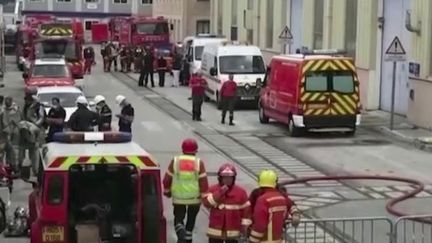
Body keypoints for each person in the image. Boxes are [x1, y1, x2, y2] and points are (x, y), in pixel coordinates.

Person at [163, 138, 209, 243]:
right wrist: (204, 196)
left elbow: (168, 178)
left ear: (183, 149)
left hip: (179, 197)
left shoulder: (176, 161)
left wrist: (167, 191)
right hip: (194, 198)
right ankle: (187, 239)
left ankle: (181, 234)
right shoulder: (198, 162)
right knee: (191, 219)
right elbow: (203, 181)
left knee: (178, 218)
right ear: (195, 151)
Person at [248, 170, 301, 243]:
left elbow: (260, 225)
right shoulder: (280, 196)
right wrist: (295, 213)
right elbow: (289, 203)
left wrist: (252, 240)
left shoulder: (261, 198)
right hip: (277, 238)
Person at [203, 163, 251, 243]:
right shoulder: (213, 189)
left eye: (230, 177)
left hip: (233, 232)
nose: (227, 179)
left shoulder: (241, 192)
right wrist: (219, 193)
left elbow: (246, 211)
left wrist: (244, 227)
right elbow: (206, 203)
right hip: (215, 232)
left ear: (233, 178)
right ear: (220, 178)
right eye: (225, 177)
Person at [0, 96, 21, 172]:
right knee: (7, 152)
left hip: (4, 137)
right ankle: (9, 169)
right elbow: (5, 123)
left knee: (9, 150)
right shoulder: (2, 111)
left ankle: (10, 168)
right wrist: (9, 132)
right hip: (2, 137)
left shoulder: (13, 109)